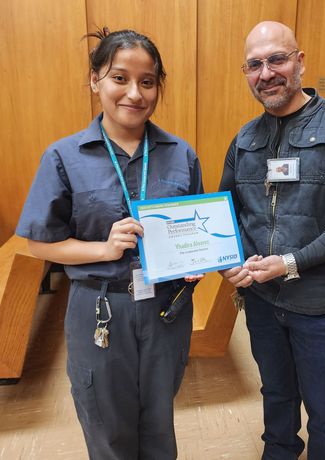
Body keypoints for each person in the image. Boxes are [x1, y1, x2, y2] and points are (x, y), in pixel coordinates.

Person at [16, 28, 203, 459]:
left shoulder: (181, 153)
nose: (135, 93)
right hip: (100, 307)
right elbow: (39, 245)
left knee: (159, 419)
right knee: (107, 424)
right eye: (120, 78)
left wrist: (196, 258)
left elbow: (193, 229)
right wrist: (103, 249)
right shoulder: (64, 157)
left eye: (148, 81)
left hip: (166, 306)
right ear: (95, 80)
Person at [219, 21, 325, 460]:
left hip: (322, 303)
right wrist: (228, 260)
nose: (266, 73)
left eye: (277, 59)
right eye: (254, 64)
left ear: (299, 60)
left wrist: (292, 262)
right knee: (275, 396)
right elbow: (227, 211)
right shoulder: (245, 138)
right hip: (262, 300)